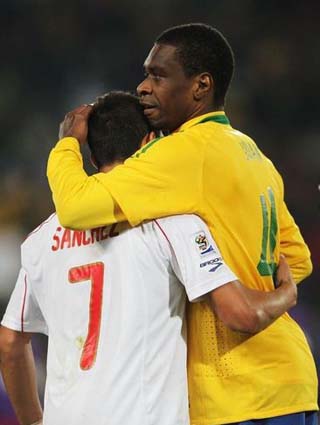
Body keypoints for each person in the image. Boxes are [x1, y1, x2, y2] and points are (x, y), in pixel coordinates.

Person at [46, 24, 318, 425]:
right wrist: (262, 293)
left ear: (200, 86)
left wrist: (67, 144)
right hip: (291, 383)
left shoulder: (182, 154)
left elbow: (75, 206)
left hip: (237, 393)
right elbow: (297, 260)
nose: (143, 86)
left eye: (158, 75)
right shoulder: (253, 154)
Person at [0, 91, 296, 425]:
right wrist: (285, 292)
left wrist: (34, 422)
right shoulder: (175, 223)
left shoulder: (40, 241)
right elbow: (239, 312)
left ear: (94, 158)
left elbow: (10, 342)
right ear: (150, 143)